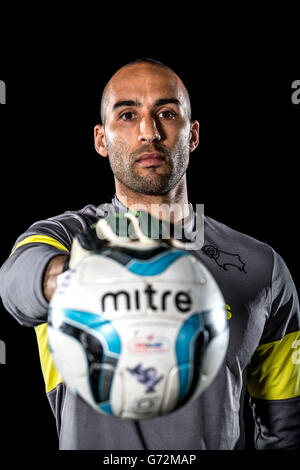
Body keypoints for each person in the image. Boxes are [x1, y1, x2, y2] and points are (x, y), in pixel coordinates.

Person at [0, 58, 299, 450]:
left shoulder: (261, 266)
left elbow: (287, 427)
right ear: (101, 140)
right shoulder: (67, 238)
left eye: (166, 113)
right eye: (127, 114)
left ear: (192, 135)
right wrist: (75, 277)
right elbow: (16, 285)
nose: (149, 132)